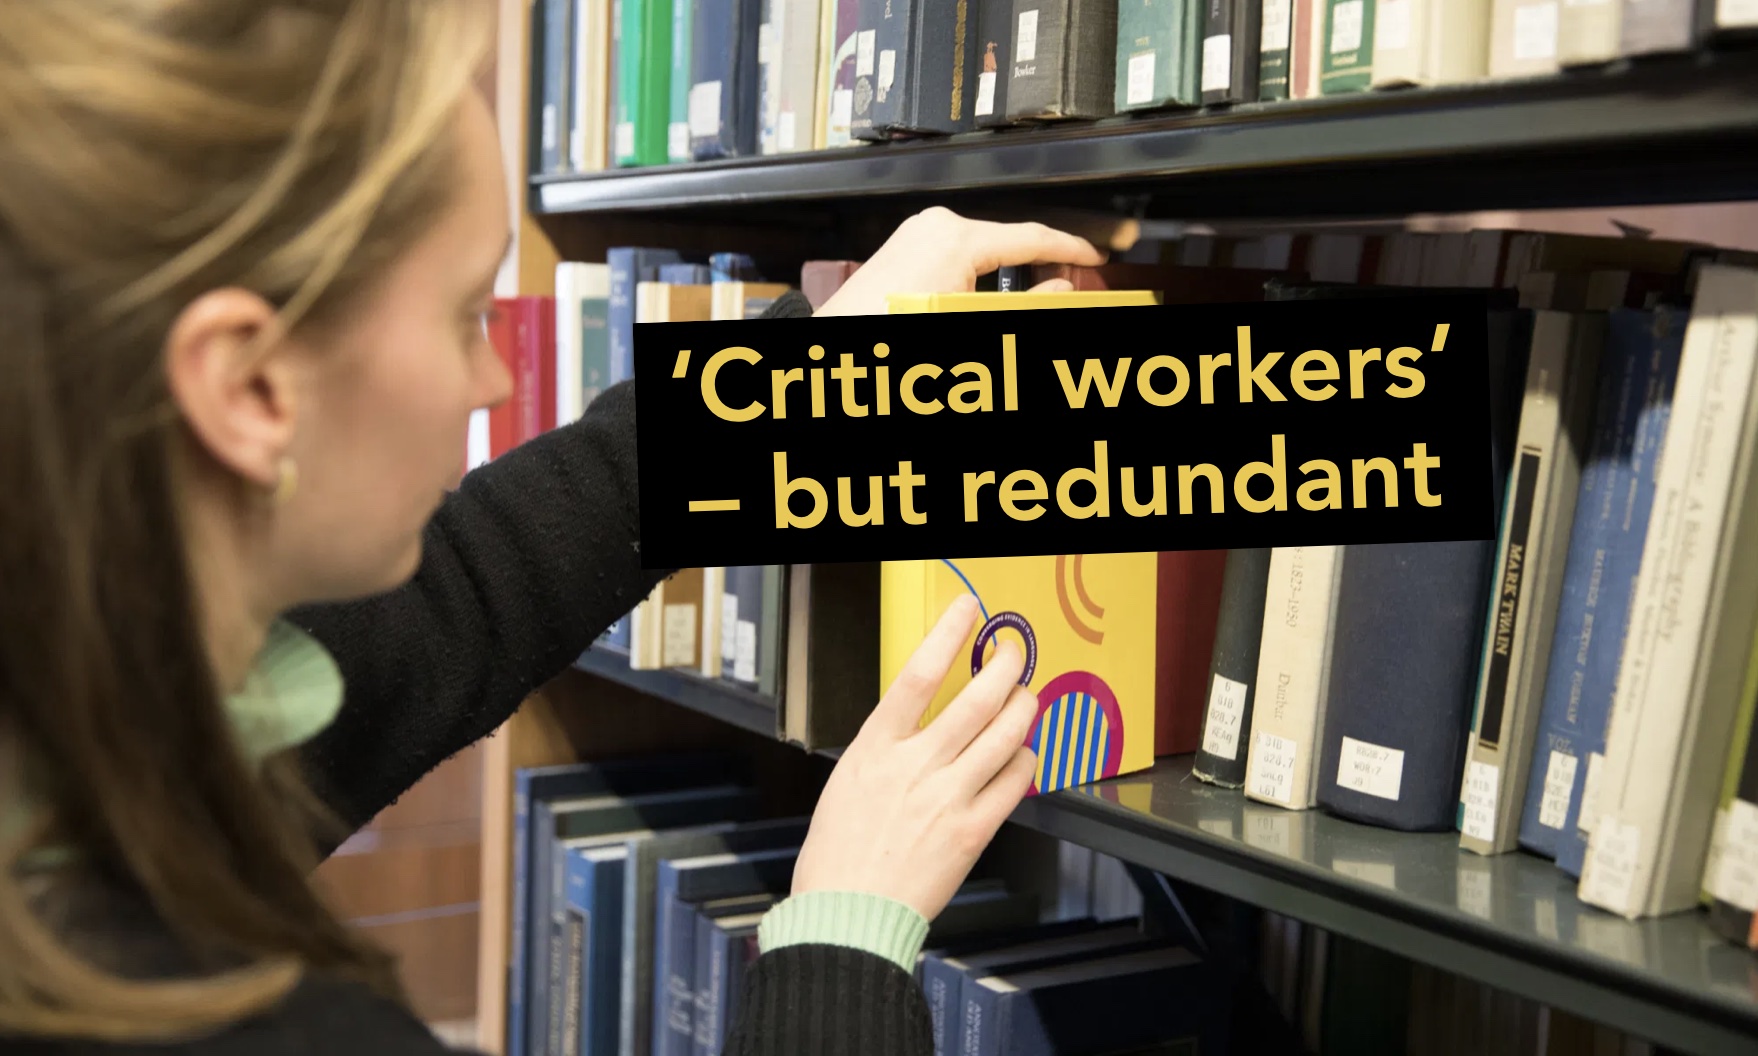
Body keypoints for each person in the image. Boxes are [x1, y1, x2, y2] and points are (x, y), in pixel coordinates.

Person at [0, 2, 1111, 1054]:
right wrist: (842, 943)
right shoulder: (229, 1022)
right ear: (246, 388)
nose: (493, 377)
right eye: (463, 314)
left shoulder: (88, 733)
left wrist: (789, 381)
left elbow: (467, 597)